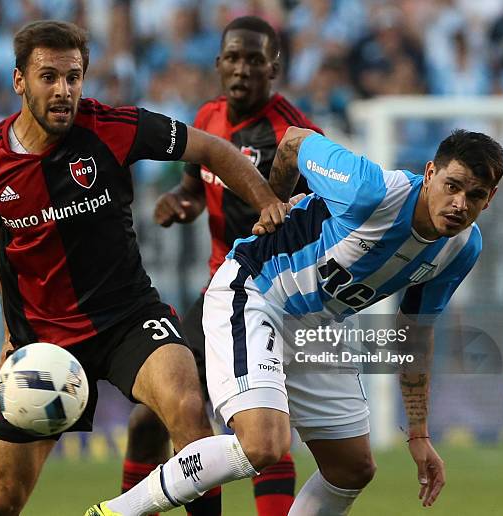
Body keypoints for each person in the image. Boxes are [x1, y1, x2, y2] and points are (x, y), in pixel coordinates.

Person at [0, 20, 287, 516]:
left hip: (128, 318)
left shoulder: (114, 127)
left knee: (187, 408)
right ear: (18, 81)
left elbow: (212, 149)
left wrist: (266, 201)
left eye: (74, 77)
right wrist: (11, 337)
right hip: (43, 340)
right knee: (0, 500)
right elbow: (1, 237)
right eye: (49, 77)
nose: (64, 90)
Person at [89, 128, 503, 516]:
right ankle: (117, 511)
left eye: (475, 195)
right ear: (430, 173)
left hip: (318, 326)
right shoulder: (369, 190)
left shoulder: (462, 249)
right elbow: (293, 141)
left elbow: (415, 333)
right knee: (264, 444)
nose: (459, 204)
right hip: (257, 291)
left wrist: (418, 433)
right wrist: (271, 204)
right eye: (452, 186)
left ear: (489, 199)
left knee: (352, 468)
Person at [121, 16, 322, 516]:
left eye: (254, 59)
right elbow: (193, 189)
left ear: (273, 67)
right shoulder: (207, 119)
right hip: (220, 292)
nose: (241, 69)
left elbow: (323, 222)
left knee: (260, 426)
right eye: (233, 58)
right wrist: (179, 202)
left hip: (277, 296)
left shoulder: (295, 136)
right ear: (218, 64)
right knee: (149, 416)